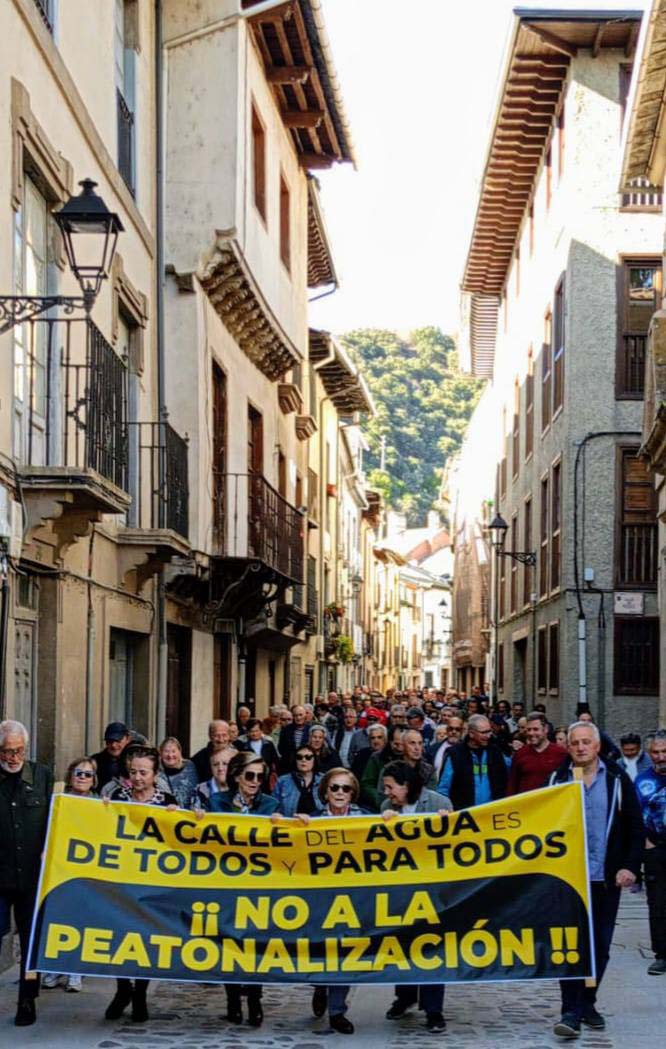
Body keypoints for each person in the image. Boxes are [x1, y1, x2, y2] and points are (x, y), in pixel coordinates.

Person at [548, 721, 643, 1038]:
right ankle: (570, 1011)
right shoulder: (557, 779)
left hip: (606, 878)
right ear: (568, 746)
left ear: (598, 746)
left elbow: (634, 825)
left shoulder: (616, 778)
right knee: (570, 946)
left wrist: (629, 865)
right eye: (575, 742)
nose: (581, 747)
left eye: (587, 741)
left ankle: (587, 1002)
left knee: (600, 946)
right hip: (569, 880)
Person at [105, 747, 177, 1023]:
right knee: (120, 937)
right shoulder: (117, 797)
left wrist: (176, 816)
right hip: (121, 879)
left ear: (155, 775)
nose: (137, 778)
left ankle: (140, 994)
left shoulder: (166, 801)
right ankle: (123, 989)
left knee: (146, 939)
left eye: (143, 772)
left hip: (151, 883)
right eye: (133, 772)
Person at [210, 752, 278, 1026]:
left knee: (255, 943)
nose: (255, 781)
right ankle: (232, 1001)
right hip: (226, 884)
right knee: (228, 943)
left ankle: (254, 999)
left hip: (257, 884)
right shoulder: (218, 802)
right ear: (237, 775)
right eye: (249, 775)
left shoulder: (271, 804)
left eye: (260, 777)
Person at [0, 719, 53, 1026]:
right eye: (7, 751)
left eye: (19, 750)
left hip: (33, 876)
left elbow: (57, 818)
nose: (13, 757)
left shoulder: (42, 776)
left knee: (32, 939)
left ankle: (27, 999)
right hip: (1, 874)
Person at [315, 768, 365, 1033]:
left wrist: (390, 822)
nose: (340, 793)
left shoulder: (368, 821)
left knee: (343, 953)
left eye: (345, 789)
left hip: (350, 901)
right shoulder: (309, 821)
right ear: (325, 791)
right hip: (316, 900)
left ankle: (337, 1011)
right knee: (318, 950)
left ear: (353, 793)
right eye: (334, 788)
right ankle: (319, 985)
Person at [42, 757, 98, 993]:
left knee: (81, 920)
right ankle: (54, 967)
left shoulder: (99, 805)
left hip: (87, 869)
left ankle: (75, 971)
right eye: (78, 773)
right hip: (60, 866)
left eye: (87, 774)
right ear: (70, 775)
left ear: (94, 779)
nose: (82, 777)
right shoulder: (58, 800)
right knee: (58, 917)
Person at [635, 729, 666, 975]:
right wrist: (645, 843)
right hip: (655, 848)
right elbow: (635, 817)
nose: (660, 756)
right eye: (655, 752)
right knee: (657, 903)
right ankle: (662, 954)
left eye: (664, 751)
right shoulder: (642, 781)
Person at [437, 714, 508, 809]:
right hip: (464, 814)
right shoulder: (455, 754)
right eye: (484, 732)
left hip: (492, 813)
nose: (488, 736)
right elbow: (444, 787)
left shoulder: (495, 752)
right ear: (471, 733)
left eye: (489, 731)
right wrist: (443, 808)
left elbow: (505, 782)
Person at [507, 712, 566, 795]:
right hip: (527, 805)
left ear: (546, 729)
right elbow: (512, 786)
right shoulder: (520, 754)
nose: (531, 733)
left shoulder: (561, 754)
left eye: (535, 729)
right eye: (529, 730)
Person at [360, 724, 404, 812]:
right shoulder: (377, 757)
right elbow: (367, 784)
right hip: (381, 805)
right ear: (390, 741)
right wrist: (381, 799)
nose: (399, 748)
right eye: (396, 744)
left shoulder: (413, 758)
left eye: (402, 743)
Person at [272, 744, 324, 817]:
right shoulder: (282, 781)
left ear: (314, 760)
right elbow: (274, 807)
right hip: (290, 825)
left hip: (318, 826)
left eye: (308, 757)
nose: (303, 760)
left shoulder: (324, 780)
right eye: (299, 757)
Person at [159, 737, 198, 808]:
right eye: (166, 751)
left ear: (179, 752)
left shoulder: (190, 767)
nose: (170, 755)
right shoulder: (156, 772)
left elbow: (196, 791)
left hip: (191, 813)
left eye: (173, 751)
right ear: (161, 753)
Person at [91, 721, 131, 790]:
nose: (113, 745)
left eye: (118, 741)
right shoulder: (95, 762)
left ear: (128, 739)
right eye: (109, 741)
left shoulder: (136, 761)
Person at [240, 719, 279, 788]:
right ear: (248, 732)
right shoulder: (243, 746)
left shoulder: (268, 744)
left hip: (266, 778)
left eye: (256, 731)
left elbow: (275, 760)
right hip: (250, 777)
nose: (254, 734)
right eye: (252, 731)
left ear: (261, 731)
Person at [277, 705, 310, 772]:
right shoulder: (286, 730)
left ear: (305, 715)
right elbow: (281, 748)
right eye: (295, 715)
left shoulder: (311, 730)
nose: (298, 718)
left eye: (300, 715)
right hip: (289, 767)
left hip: (307, 765)